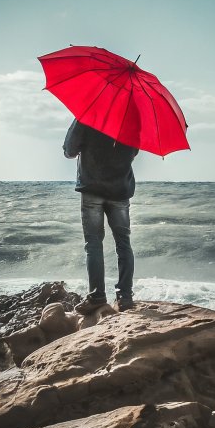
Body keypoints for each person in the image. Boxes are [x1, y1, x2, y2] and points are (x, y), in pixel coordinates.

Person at [63, 118, 139, 314]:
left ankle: (97, 296)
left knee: (94, 243)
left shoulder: (88, 115)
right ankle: (125, 297)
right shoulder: (132, 121)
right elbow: (133, 152)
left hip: (92, 189)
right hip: (120, 191)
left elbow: (69, 151)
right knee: (123, 243)